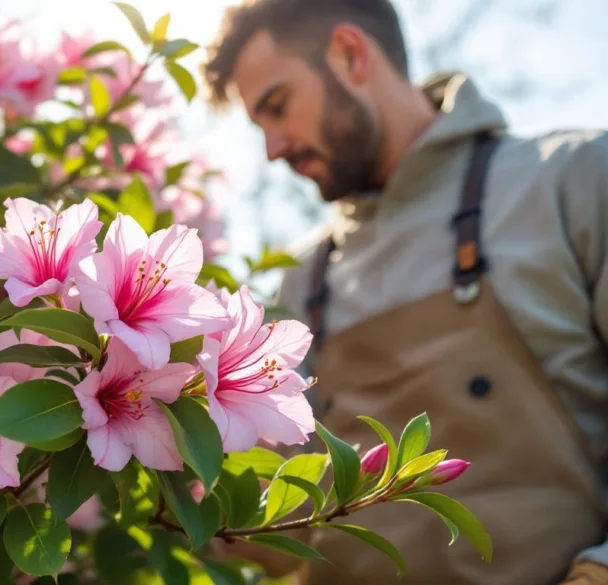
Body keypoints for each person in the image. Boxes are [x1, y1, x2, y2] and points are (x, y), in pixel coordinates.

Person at [200, 1, 608, 584]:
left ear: (350, 53)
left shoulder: (576, 178)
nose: (273, 149)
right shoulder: (303, 278)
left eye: (277, 107)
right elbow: (274, 529)